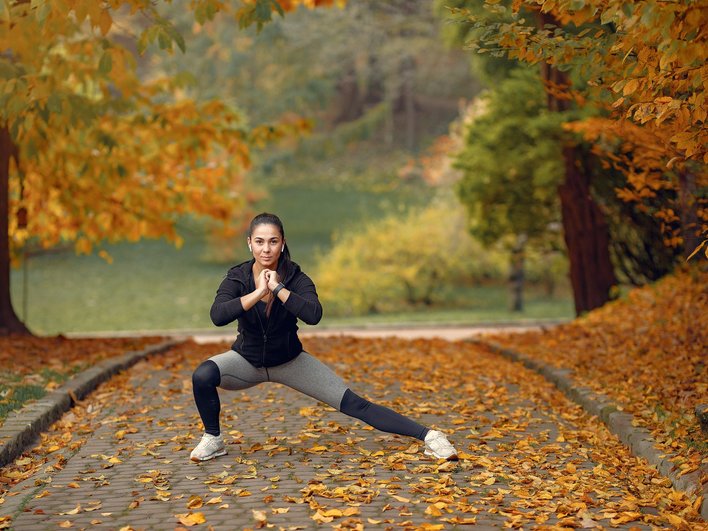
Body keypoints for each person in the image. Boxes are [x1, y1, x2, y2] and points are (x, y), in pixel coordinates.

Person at [190, 212, 458, 462]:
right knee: (203, 375)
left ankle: (431, 437)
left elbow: (313, 314)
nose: (266, 248)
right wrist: (259, 293)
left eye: (273, 241)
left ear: (282, 244)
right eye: (259, 241)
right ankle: (213, 439)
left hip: (290, 362)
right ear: (249, 243)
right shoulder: (237, 277)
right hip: (245, 362)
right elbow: (218, 315)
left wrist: (278, 288)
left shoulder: (296, 278)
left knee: (354, 403)